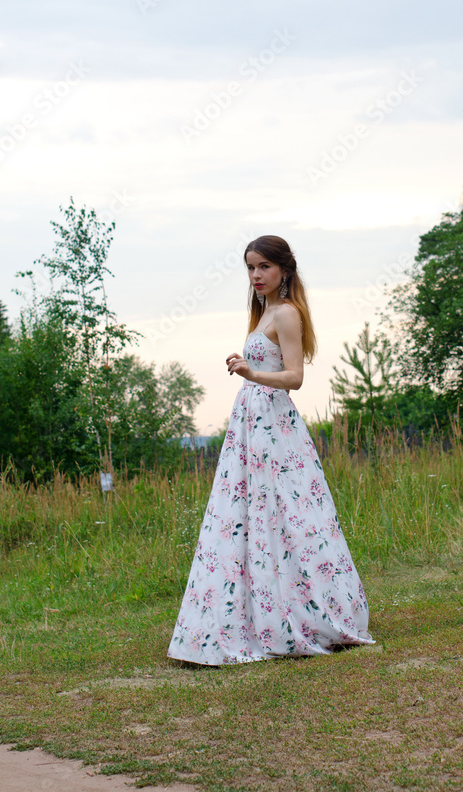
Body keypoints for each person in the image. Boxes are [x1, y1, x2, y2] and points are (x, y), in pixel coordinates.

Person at [167, 234, 374, 666]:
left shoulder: (288, 314)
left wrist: (252, 372)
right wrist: (247, 370)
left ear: (284, 269)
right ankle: (251, 615)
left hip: (274, 425)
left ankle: (309, 613)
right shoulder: (263, 314)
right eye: (250, 267)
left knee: (289, 512)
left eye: (263, 266)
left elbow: (295, 377)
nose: (256, 275)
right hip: (252, 423)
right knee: (247, 515)